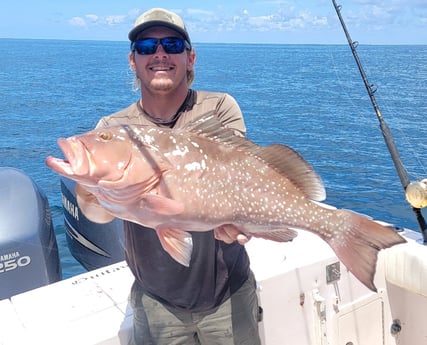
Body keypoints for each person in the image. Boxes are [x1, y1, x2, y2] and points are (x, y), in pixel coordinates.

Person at [78, 8, 261, 345]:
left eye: (172, 44)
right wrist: (90, 186)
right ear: (133, 61)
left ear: (190, 58)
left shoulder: (219, 109)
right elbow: (97, 214)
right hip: (156, 301)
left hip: (229, 293)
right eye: (147, 46)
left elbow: (242, 173)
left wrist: (241, 218)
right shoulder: (111, 130)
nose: (160, 54)